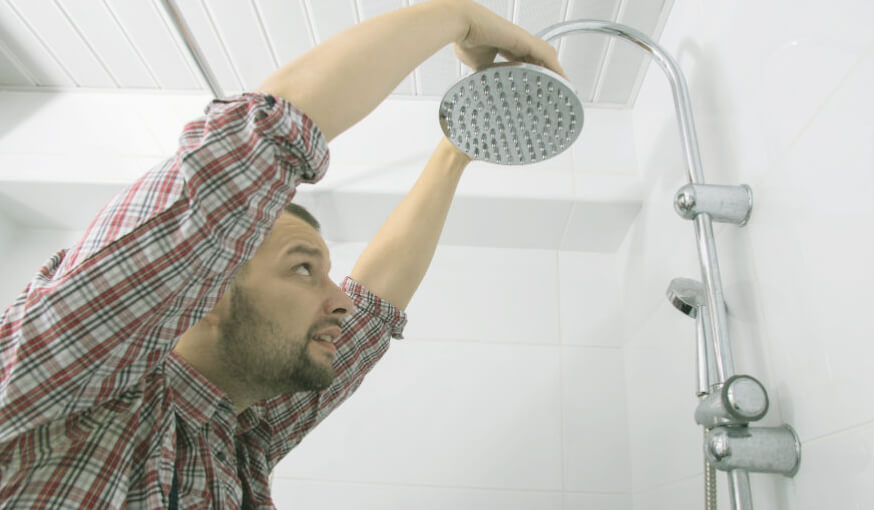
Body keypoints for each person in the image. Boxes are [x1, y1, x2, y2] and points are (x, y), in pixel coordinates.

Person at [0, 0, 565, 508]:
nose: (340, 300)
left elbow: (373, 309)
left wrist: (456, 149)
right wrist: (456, 15)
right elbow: (246, 157)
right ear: (209, 284)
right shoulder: (63, 389)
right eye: (303, 268)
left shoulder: (239, 441)